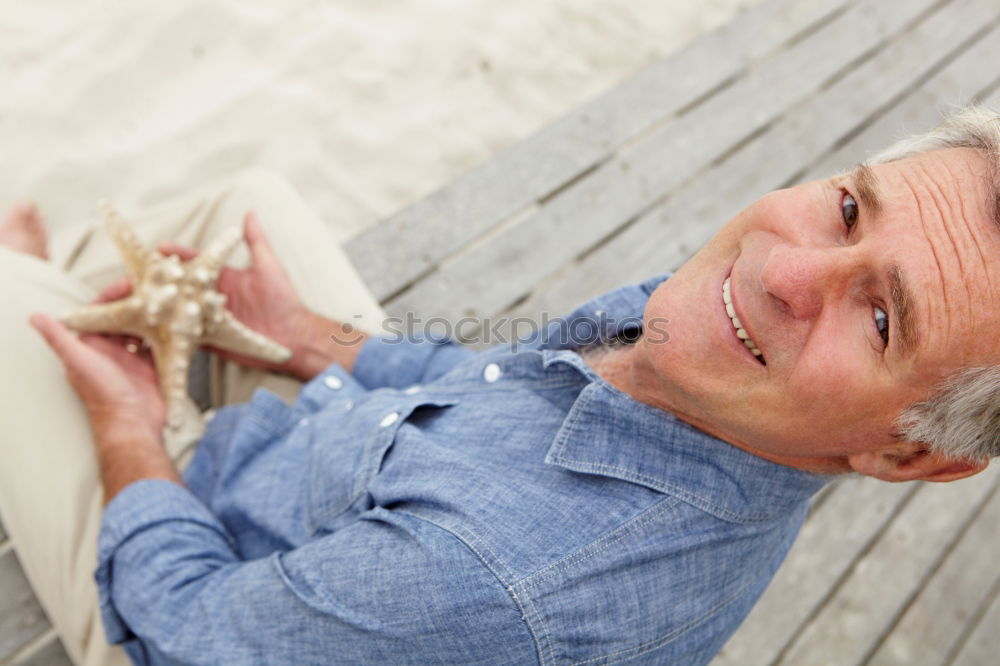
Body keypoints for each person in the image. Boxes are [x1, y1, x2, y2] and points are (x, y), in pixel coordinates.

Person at [3, 105, 1000, 665]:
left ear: (908, 450)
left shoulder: (498, 584)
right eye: (845, 209)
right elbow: (508, 387)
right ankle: (76, 280)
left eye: (879, 317)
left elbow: (186, 633)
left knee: (12, 309)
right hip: (332, 489)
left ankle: (34, 283)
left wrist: (127, 426)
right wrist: (314, 342)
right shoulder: (703, 353)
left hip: (186, 602)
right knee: (247, 202)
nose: (783, 270)